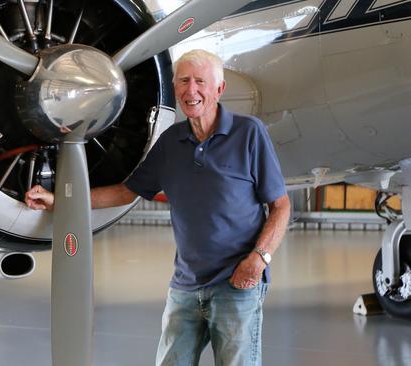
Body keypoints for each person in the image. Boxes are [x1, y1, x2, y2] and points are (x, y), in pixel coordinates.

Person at [25, 49, 290, 366]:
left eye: (200, 82)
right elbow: (126, 192)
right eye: (183, 81)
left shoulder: (249, 133)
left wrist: (259, 258)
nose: (191, 91)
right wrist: (62, 201)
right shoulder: (170, 141)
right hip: (186, 286)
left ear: (219, 89)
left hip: (236, 284)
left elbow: (281, 205)